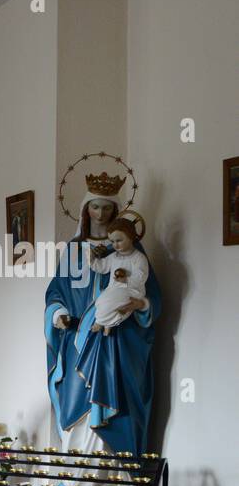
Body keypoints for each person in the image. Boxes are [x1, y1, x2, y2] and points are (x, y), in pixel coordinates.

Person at [44, 175, 160, 455]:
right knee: (76, 395)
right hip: (78, 341)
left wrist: (141, 305)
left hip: (117, 344)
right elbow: (56, 292)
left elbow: (152, 295)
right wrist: (57, 313)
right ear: (86, 210)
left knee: (117, 403)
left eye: (107, 208)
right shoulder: (73, 251)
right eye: (95, 207)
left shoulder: (133, 252)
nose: (101, 214)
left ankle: (117, 480)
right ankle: (76, 474)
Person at [89, 218, 150, 335]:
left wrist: (125, 279)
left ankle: (103, 323)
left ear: (131, 237)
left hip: (132, 290)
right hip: (114, 289)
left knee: (113, 303)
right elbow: (101, 267)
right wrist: (91, 259)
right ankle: (105, 323)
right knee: (101, 301)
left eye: (119, 240)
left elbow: (141, 277)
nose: (115, 245)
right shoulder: (114, 256)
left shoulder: (138, 258)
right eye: (112, 241)